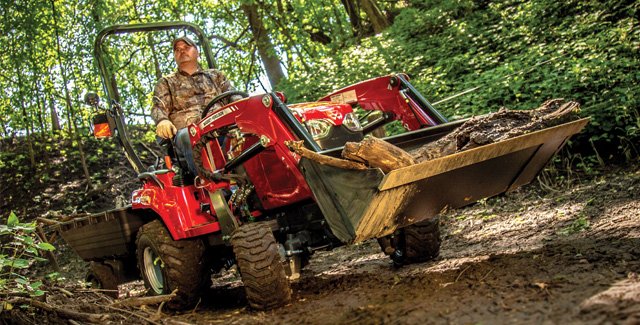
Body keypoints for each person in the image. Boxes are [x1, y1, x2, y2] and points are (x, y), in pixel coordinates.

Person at [151, 36, 241, 175]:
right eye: (177, 50)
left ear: (197, 52)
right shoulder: (166, 82)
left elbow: (233, 96)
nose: (182, 51)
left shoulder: (215, 76)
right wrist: (162, 120)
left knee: (249, 131)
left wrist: (244, 106)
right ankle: (211, 186)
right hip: (189, 133)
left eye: (186, 48)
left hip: (222, 126)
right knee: (188, 135)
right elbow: (159, 106)